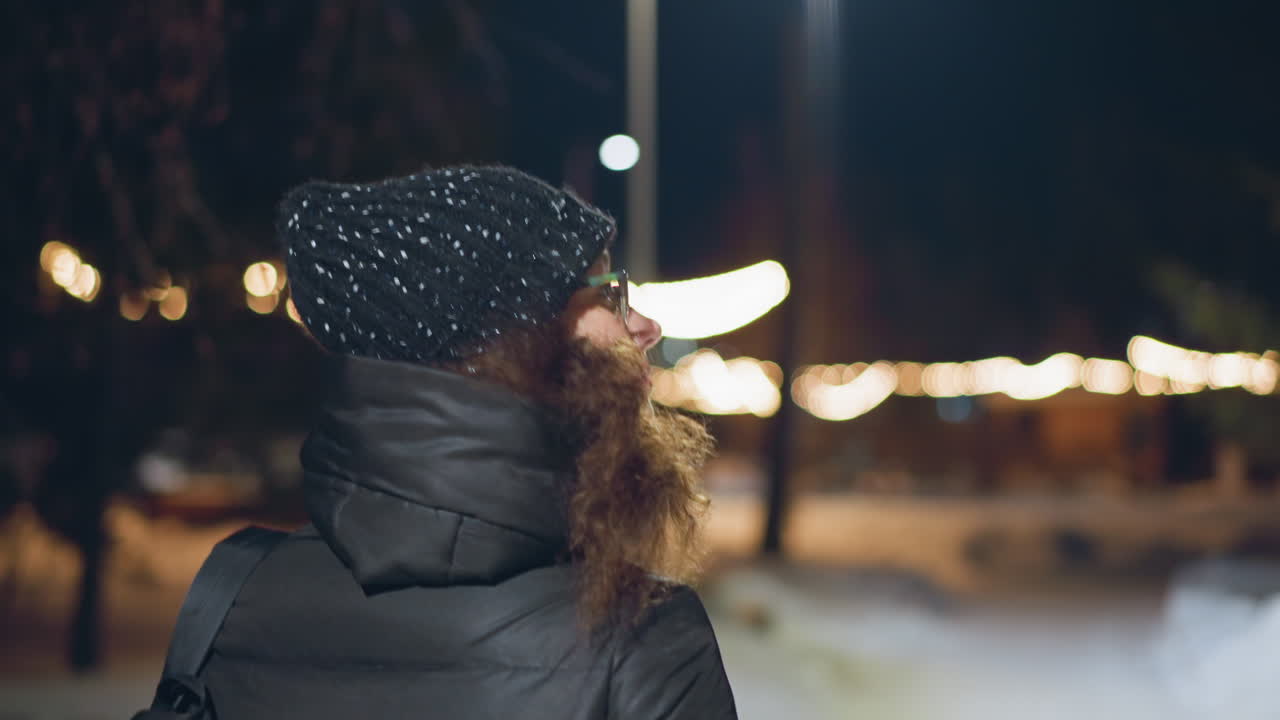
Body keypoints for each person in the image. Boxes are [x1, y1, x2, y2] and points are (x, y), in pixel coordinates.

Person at [200, 166, 738, 719]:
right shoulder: (644, 643)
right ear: (514, 337)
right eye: (607, 292)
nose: (645, 324)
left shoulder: (229, 599)